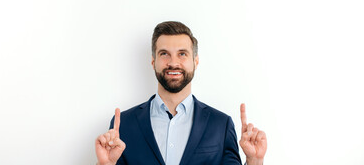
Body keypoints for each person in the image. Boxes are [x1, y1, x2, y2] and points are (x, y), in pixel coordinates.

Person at [95, 21, 267, 165]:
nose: (173, 62)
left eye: (182, 54)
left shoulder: (220, 125)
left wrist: (254, 160)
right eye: (164, 54)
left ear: (195, 61)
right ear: (153, 61)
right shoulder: (124, 124)